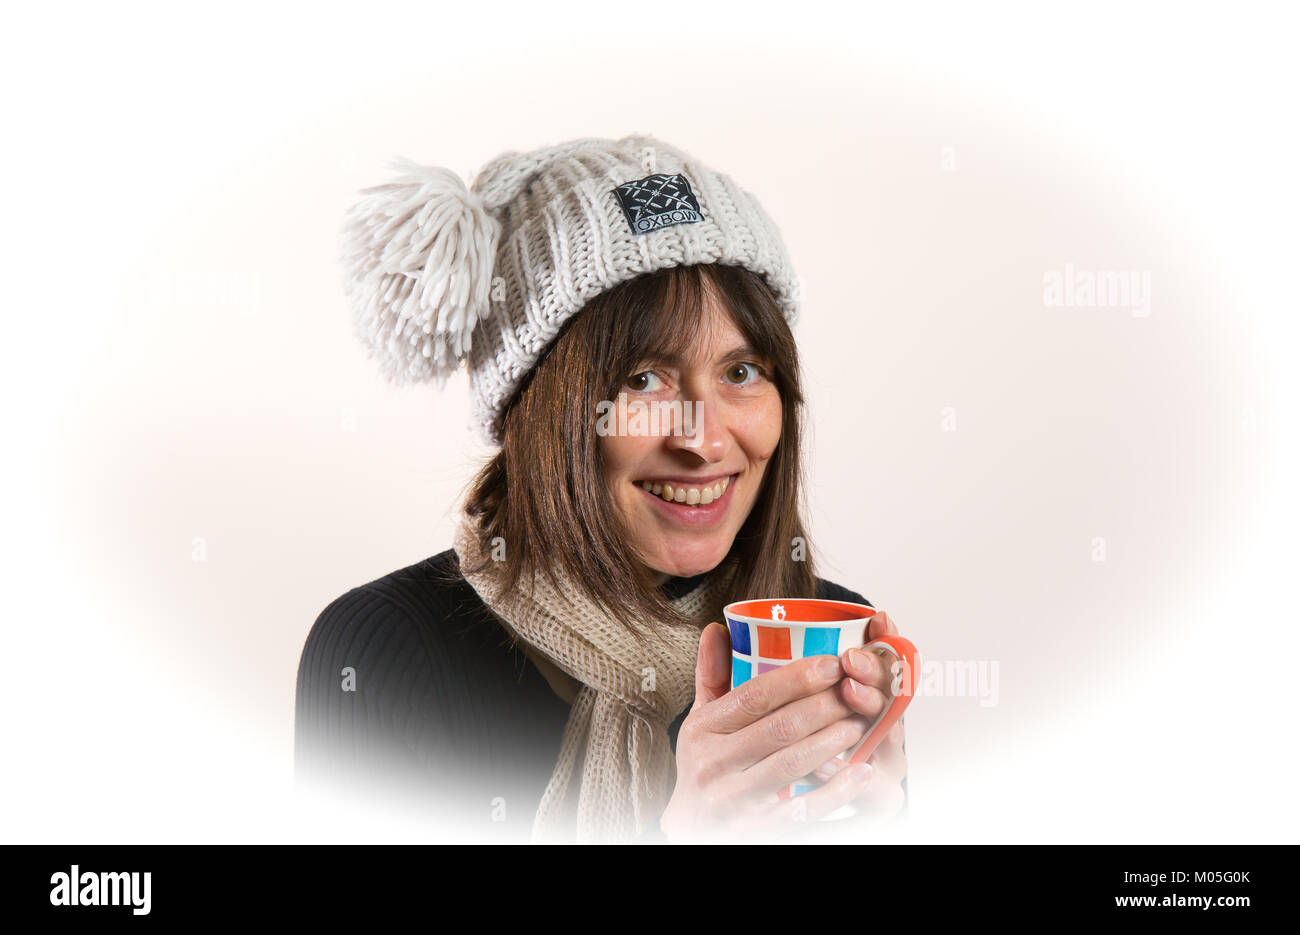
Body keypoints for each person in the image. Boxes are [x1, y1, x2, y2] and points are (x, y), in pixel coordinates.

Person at [294, 134, 909, 844]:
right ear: (535, 411)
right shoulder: (387, 655)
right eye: (642, 379)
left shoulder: (831, 634)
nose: (705, 441)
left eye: (742, 371)